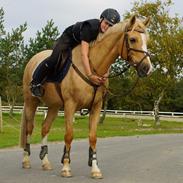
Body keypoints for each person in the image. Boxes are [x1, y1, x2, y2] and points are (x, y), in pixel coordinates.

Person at [30, 8, 120, 97]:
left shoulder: (107, 35)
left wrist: (106, 73)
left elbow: (106, 56)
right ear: (101, 19)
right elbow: (84, 54)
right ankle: (35, 82)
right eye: (106, 23)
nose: (107, 27)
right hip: (68, 39)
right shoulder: (90, 27)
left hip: (83, 41)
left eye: (111, 25)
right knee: (54, 59)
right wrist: (90, 75)